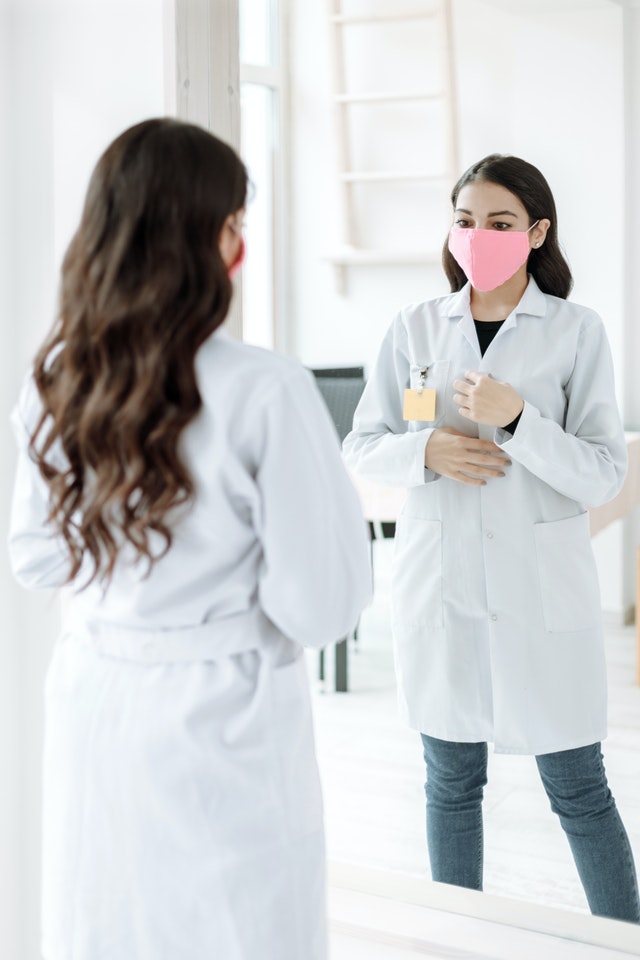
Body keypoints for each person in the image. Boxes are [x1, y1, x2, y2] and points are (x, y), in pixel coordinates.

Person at [8, 118, 372, 960]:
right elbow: (321, 606)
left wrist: (134, 575)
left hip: (96, 697)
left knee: (106, 926)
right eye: (235, 222)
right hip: (225, 713)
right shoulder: (266, 390)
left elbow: (36, 557)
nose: (241, 243)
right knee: (238, 928)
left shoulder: (57, 378)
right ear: (206, 240)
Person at [343, 153, 640, 922]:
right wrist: (426, 451)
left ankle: (624, 935)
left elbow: (606, 473)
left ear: (537, 232)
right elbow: (362, 444)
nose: (480, 236)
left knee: (578, 787)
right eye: (466, 220)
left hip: (542, 600)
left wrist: (517, 422)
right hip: (441, 588)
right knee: (449, 783)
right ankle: (457, 937)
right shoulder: (413, 328)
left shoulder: (577, 332)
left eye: (501, 223)